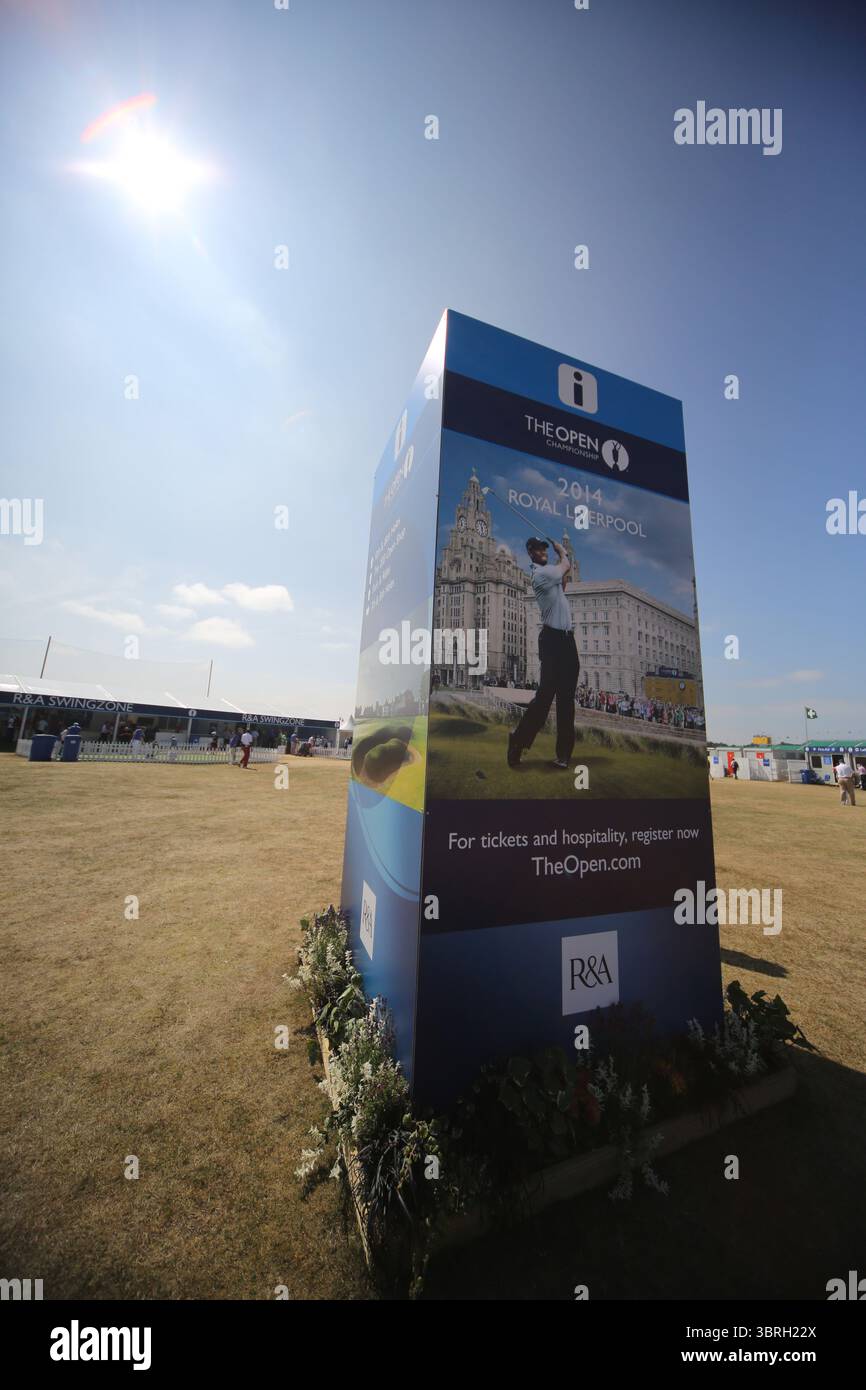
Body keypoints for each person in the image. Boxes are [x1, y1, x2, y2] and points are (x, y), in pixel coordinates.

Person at [508, 537, 579, 770]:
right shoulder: (540, 574)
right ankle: (518, 741)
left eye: (545, 548)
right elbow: (565, 567)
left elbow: (564, 584)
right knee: (544, 699)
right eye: (538, 549)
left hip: (568, 642)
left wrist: (561, 558)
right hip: (551, 641)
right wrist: (562, 552)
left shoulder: (551, 575)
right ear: (530, 553)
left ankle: (564, 755)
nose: (543, 551)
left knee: (567, 702)